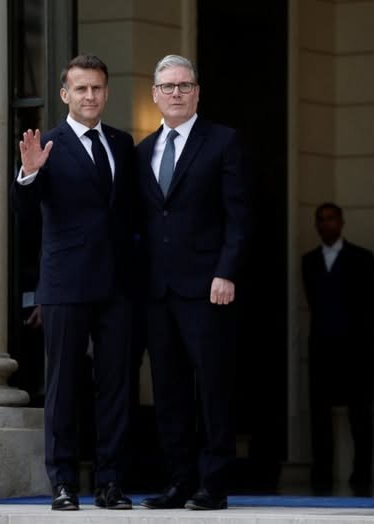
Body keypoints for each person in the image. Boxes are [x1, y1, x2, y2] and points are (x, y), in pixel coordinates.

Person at [12, 54, 135, 511]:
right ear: (65, 94)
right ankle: (63, 482)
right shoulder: (47, 144)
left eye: (97, 88)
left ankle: (110, 483)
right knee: (63, 386)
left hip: (117, 285)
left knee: (116, 386)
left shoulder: (122, 143)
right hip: (66, 284)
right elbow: (24, 215)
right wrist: (28, 174)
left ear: (106, 92)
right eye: (81, 88)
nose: (90, 96)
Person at [135, 54, 251, 511]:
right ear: (155, 95)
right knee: (169, 391)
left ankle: (214, 482)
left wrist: (227, 271)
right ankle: (179, 480)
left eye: (185, 85)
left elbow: (239, 215)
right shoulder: (143, 151)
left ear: (197, 93)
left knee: (213, 387)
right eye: (168, 86)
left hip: (208, 287)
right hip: (157, 290)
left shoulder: (223, 141)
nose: (176, 93)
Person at [301, 202, 374, 496]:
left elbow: (373, 304)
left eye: (331, 218)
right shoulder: (308, 261)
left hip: (357, 350)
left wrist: (359, 338)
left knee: (360, 415)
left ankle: (362, 478)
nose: (326, 224)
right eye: (321, 220)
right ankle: (321, 478)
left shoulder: (362, 258)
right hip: (322, 349)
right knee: (319, 416)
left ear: (341, 222)